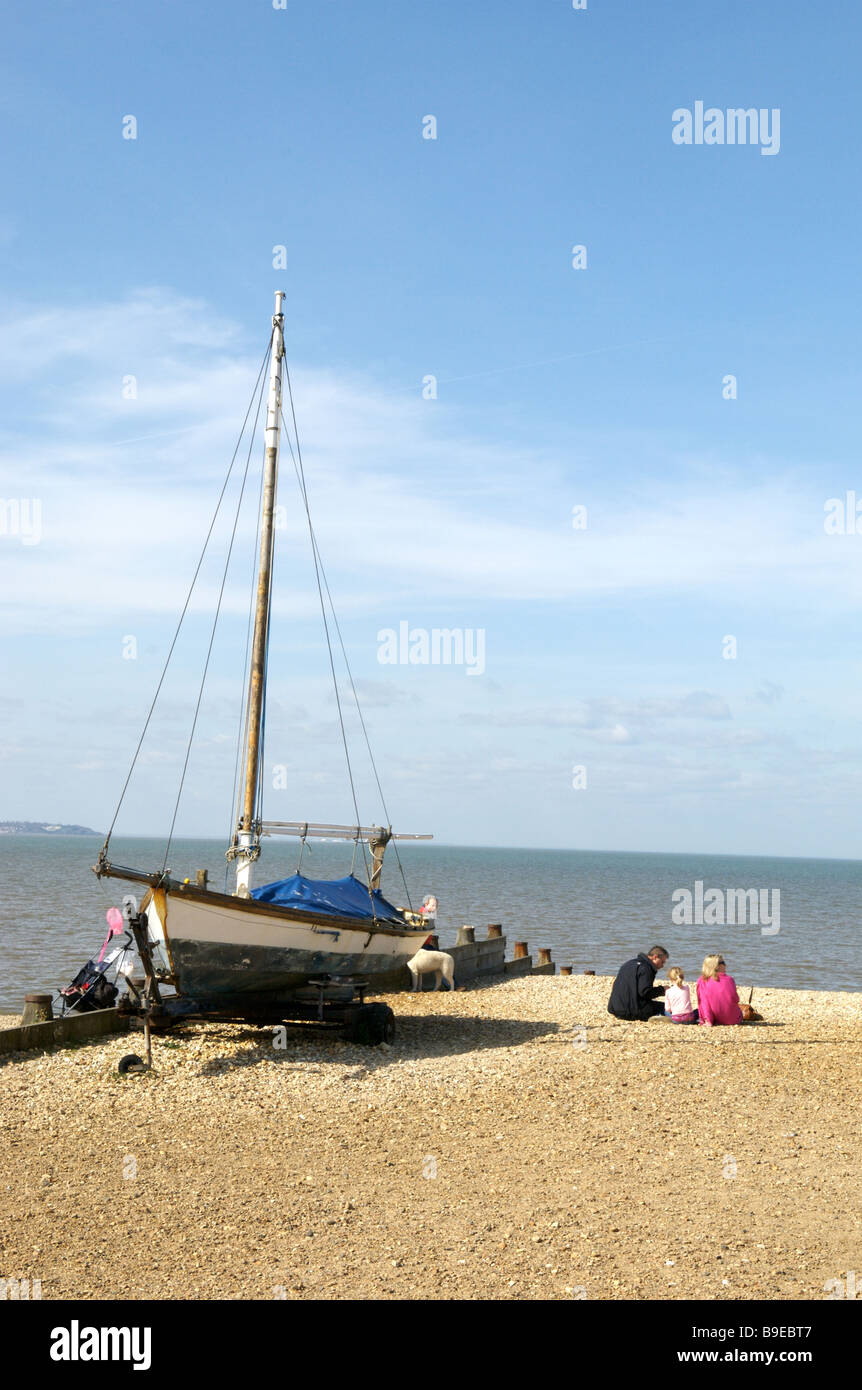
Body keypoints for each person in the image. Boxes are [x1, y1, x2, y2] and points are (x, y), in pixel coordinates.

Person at [607, 946, 669, 1021]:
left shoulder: (629, 963)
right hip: (630, 1011)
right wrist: (662, 990)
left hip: (615, 1008)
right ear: (655, 957)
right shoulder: (646, 968)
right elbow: (645, 992)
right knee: (666, 1007)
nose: (662, 966)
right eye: (662, 962)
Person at [695, 954, 742, 1027]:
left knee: (696, 1012)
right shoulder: (730, 979)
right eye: (723, 963)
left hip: (716, 1019)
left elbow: (704, 1003)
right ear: (716, 966)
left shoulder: (702, 980)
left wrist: (709, 1021)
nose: (725, 965)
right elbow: (736, 999)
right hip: (734, 1019)